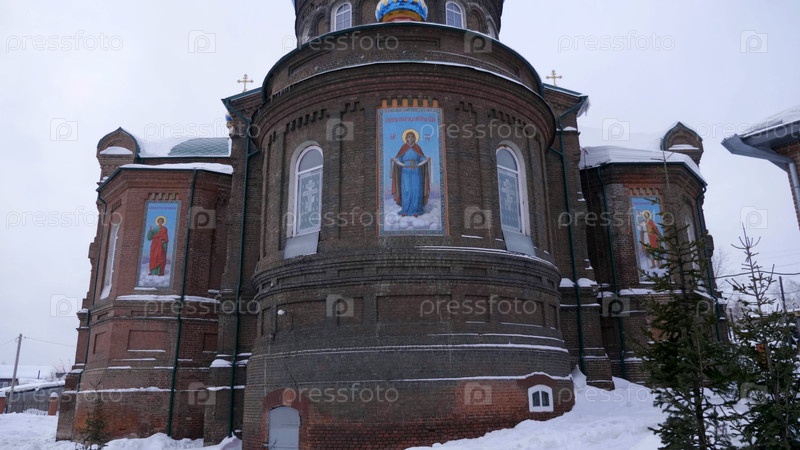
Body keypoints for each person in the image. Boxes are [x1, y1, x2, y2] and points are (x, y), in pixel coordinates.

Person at [390, 129, 431, 217]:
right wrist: (395, 160)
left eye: (412, 137)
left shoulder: (417, 148)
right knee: (406, 190)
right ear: (406, 139)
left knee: (416, 190)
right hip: (405, 171)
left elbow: (423, 159)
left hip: (416, 171)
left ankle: (416, 210)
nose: (411, 138)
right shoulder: (403, 148)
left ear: (415, 138)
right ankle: (405, 210)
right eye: (409, 137)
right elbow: (399, 159)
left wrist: (424, 160)